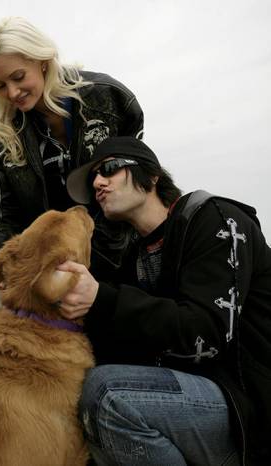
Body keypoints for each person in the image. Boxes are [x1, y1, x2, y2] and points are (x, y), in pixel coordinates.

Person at [59, 136, 271, 466]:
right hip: (192, 401)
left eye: (109, 169)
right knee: (79, 390)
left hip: (247, 407)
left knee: (108, 393)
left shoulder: (215, 220)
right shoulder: (136, 258)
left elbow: (207, 337)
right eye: (92, 179)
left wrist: (104, 300)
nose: (98, 182)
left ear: (152, 175)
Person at [0, 16, 144, 304]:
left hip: (122, 269)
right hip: (50, 279)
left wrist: (91, 278)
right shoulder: (3, 131)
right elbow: (0, 210)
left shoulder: (110, 98)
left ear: (43, 61)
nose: (12, 93)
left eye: (18, 77)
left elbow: (133, 187)